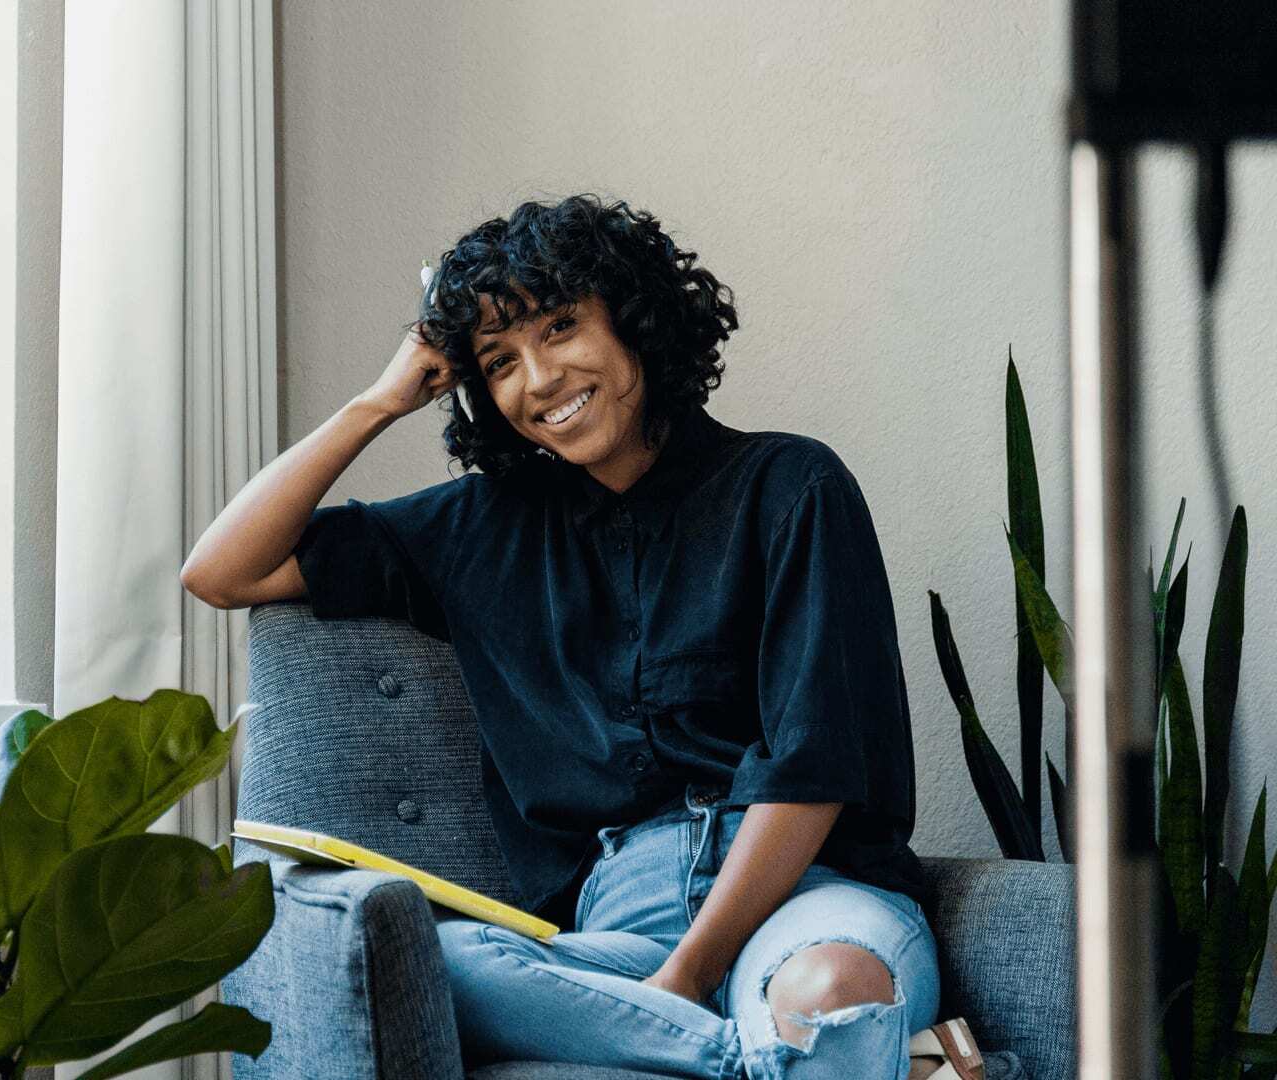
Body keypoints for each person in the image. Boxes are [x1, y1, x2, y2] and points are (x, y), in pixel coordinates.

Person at [181, 194, 978, 1080]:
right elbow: (222, 570)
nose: (540, 379)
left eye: (560, 327)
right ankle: (841, 1066)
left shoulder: (791, 486)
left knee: (829, 990)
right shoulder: (477, 529)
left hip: (805, 900)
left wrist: (689, 973)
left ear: (635, 319)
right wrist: (378, 402)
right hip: (614, 935)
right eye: (499, 360)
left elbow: (812, 764)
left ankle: (782, 1039)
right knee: (421, 966)